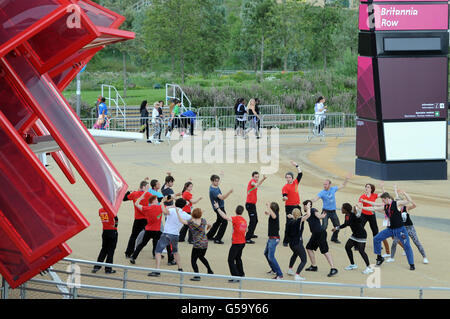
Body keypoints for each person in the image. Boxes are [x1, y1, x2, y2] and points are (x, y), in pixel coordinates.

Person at [357, 192, 415, 270]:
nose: (383, 202)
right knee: (376, 239)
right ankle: (379, 257)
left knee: (407, 245)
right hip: (390, 229)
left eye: (383, 200)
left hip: (400, 230)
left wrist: (404, 193)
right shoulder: (386, 206)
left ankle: (411, 264)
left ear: (387, 199)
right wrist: (362, 208)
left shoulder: (397, 203)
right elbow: (374, 208)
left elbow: (409, 201)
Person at [148, 198, 192, 277]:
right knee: (175, 251)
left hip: (167, 234)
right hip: (175, 235)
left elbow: (164, 211)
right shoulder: (185, 214)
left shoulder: (172, 210)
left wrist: (161, 203)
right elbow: (193, 218)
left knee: (158, 251)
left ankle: (157, 270)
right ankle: (180, 268)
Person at [390, 188, 428, 264]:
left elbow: (414, 205)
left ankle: (424, 257)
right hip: (401, 228)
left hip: (409, 227)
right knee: (395, 242)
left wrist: (404, 193)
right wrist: (395, 192)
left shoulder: (405, 208)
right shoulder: (395, 209)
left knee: (416, 242)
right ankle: (391, 257)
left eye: (398, 201)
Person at [333, 203, 373, 275]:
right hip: (355, 235)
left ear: (345, 209)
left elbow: (360, 220)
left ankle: (369, 267)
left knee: (361, 251)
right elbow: (345, 224)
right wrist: (336, 228)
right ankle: (353, 264)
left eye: (342, 208)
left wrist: (357, 213)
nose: (341, 209)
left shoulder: (353, 215)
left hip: (361, 235)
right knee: (347, 247)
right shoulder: (347, 215)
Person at [312, 174, 352, 244]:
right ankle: (319, 238)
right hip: (325, 212)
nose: (324, 186)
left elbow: (343, 185)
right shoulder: (322, 192)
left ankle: (334, 238)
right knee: (324, 226)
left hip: (333, 212)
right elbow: (315, 199)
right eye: (324, 184)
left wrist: (347, 179)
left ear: (330, 185)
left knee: (337, 225)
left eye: (326, 184)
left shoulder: (333, 189)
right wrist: (310, 202)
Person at [176, 208, 214, 281]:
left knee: (193, 260)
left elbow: (181, 221)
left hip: (197, 244)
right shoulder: (203, 220)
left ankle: (197, 275)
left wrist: (177, 213)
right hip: (205, 243)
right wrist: (208, 227)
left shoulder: (191, 222)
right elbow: (210, 224)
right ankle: (209, 270)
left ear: (192, 214)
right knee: (201, 257)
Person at [214, 202, 247, 283]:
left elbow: (224, 216)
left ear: (235, 211)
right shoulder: (244, 220)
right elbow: (246, 230)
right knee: (238, 258)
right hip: (242, 242)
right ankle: (241, 273)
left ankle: (236, 276)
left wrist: (218, 208)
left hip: (236, 243)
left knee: (230, 260)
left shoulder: (236, 219)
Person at [303, 200, 338, 277]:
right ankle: (314, 266)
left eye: (304, 206)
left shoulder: (313, 210)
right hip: (315, 234)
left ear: (306, 206)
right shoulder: (307, 214)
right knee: (309, 248)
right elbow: (301, 218)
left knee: (325, 251)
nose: (303, 207)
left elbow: (319, 216)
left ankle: (333, 268)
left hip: (320, 233)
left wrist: (322, 216)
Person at [130, 194, 167, 264]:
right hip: (156, 230)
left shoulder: (147, 208)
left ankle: (133, 257)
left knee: (142, 244)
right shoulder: (160, 207)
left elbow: (136, 204)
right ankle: (161, 256)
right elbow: (168, 208)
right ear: (153, 201)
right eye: (156, 200)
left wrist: (140, 198)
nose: (157, 201)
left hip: (148, 230)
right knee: (160, 241)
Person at [359, 183, 391, 258]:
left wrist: (382, 187)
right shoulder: (362, 196)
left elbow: (385, 194)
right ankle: (357, 245)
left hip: (372, 215)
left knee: (375, 230)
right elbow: (360, 203)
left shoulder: (374, 195)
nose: (366, 188)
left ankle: (378, 245)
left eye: (368, 187)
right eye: (366, 187)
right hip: (364, 215)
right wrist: (358, 207)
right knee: (360, 229)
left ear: (371, 189)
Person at [123, 180, 151, 259]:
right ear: (143, 187)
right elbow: (157, 200)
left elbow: (124, 198)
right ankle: (155, 252)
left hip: (138, 219)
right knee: (153, 235)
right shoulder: (148, 194)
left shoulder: (134, 194)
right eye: (147, 187)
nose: (148, 188)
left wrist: (128, 192)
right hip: (146, 219)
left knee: (133, 236)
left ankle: (128, 252)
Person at [206, 174, 233, 244]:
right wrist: (229, 192)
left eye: (218, 181)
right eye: (216, 181)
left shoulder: (214, 186)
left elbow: (219, 182)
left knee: (218, 221)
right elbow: (222, 197)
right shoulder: (213, 190)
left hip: (220, 206)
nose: (217, 182)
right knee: (224, 222)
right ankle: (217, 239)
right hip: (218, 208)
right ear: (212, 181)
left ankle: (209, 235)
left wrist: (222, 176)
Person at [286, 205, 311, 281]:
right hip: (297, 243)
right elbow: (308, 215)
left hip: (292, 244)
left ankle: (290, 269)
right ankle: (297, 275)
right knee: (304, 260)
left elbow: (294, 220)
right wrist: (309, 207)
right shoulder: (299, 220)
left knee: (295, 254)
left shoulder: (290, 221)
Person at [281, 160, 303, 246]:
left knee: (300, 222)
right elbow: (284, 195)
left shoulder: (296, 182)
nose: (288, 179)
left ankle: (298, 238)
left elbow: (300, 174)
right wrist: (284, 198)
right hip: (289, 207)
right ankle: (286, 241)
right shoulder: (285, 187)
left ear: (292, 178)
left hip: (297, 206)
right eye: (287, 177)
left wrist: (297, 165)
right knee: (289, 223)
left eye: (289, 177)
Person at [92, 207, 118, 274]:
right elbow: (116, 219)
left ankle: (97, 266)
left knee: (104, 249)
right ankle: (108, 269)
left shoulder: (100, 210)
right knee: (111, 251)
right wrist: (115, 227)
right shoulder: (111, 209)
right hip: (112, 231)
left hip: (105, 230)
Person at [245, 171, 267, 244]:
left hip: (252, 205)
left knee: (255, 220)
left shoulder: (255, 182)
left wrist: (263, 179)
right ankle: (247, 238)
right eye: (255, 177)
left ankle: (251, 233)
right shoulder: (252, 181)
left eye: (258, 177)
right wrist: (258, 181)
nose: (257, 178)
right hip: (250, 205)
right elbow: (255, 184)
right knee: (253, 221)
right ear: (252, 177)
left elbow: (258, 184)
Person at [263, 202, 283, 280]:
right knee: (266, 253)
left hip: (274, 239)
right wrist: (268, 212)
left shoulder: (275, 215)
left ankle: (280, 274)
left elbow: (274, 216)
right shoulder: (275, 213)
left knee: (271, 257)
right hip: (271, 238)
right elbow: (272, 215)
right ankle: (274, 270)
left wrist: (268, 207)